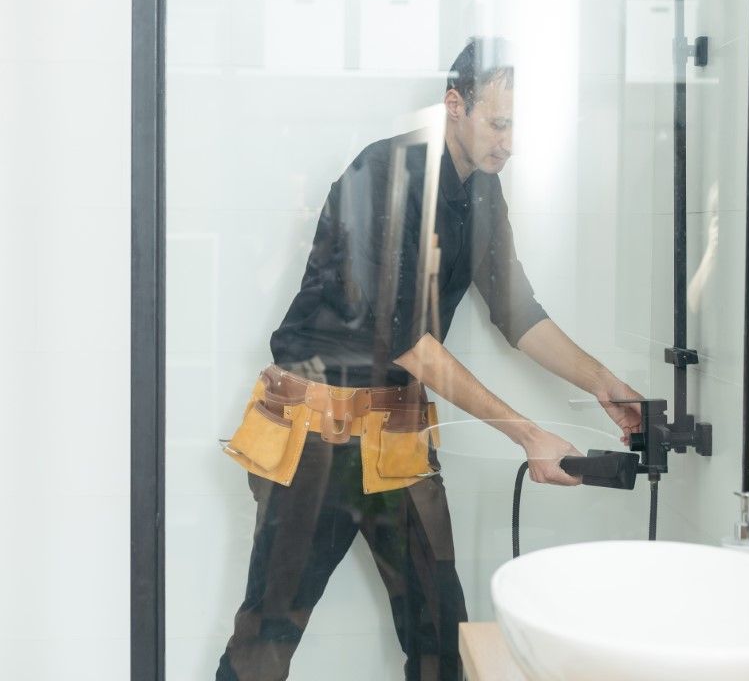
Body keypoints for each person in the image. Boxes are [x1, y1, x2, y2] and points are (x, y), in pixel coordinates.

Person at [216, 37, 643, 680]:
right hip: (313, 435)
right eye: (499, 124)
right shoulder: (382, 172)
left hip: (396, 431)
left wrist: (604, 383)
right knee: (267, 636)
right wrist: (529, 435)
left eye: (518, 128)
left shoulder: (484, 191)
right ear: (454, 104)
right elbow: (407, 339)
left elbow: (517, 312)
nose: (510, 144)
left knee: (442, 632)